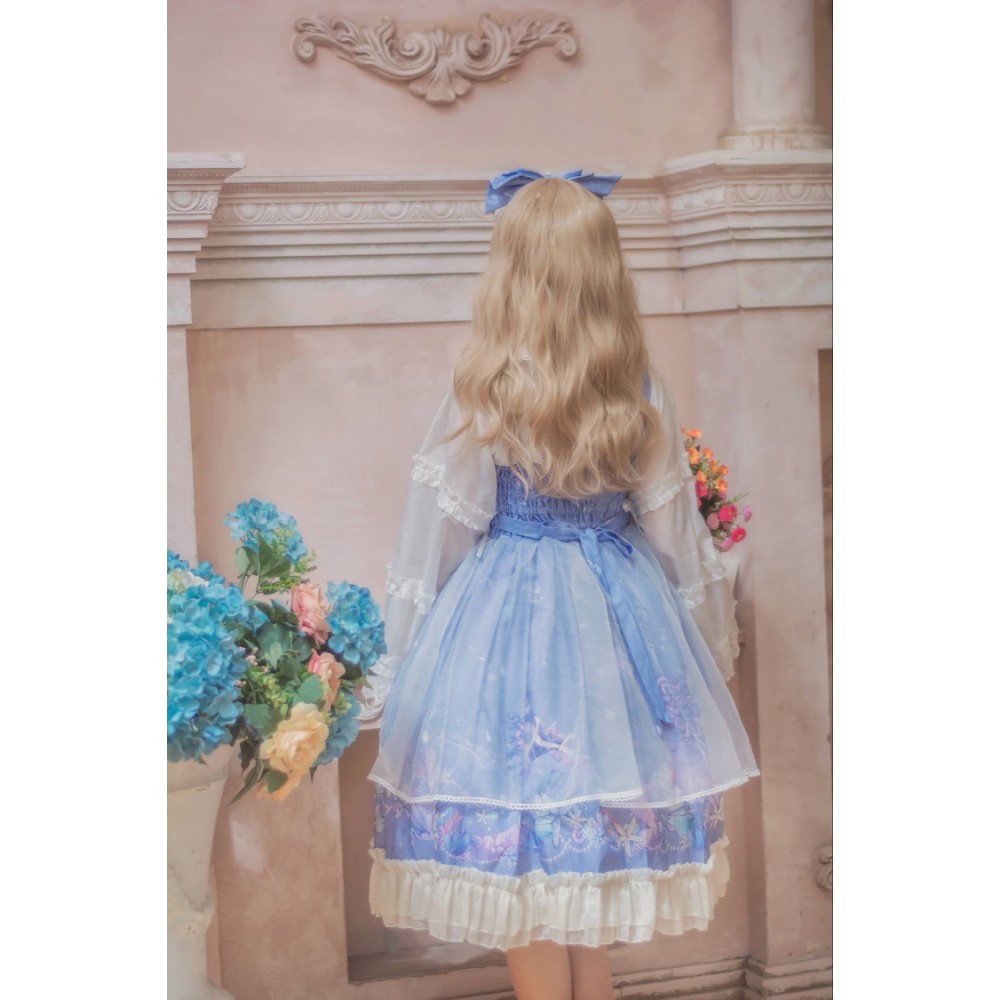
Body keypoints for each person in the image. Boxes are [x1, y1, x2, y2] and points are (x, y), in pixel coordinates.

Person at [365, 171, 760, 1000]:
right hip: (617, 618)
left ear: (511, 272)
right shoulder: (637, 388)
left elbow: (439, 533)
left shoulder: (483, 387)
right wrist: (708, 646)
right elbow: (674, 537)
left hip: (504, 623)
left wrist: (400, 661)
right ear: (604, 272)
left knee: (529, 873)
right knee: (583, 869)